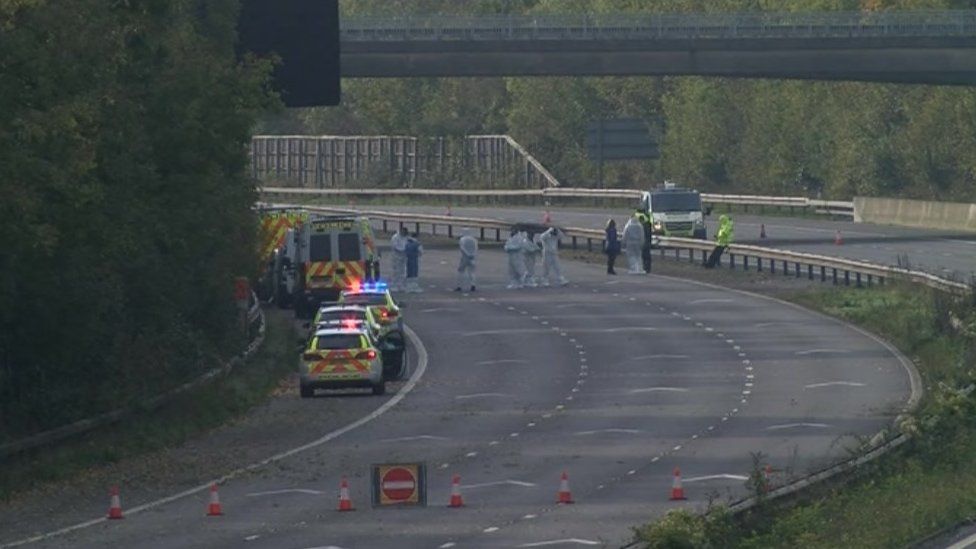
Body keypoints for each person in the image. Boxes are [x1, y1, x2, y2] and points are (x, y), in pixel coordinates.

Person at [455, 227, 478, 292]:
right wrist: (473, 254)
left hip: (464, 257)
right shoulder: (474, 240)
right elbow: (476, 248)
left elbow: (462, 248)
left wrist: (467, 254)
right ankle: (473, 285)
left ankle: (459, 286)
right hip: (472, 257)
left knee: (460, 271)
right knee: (472, 272)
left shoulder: (462, 239)